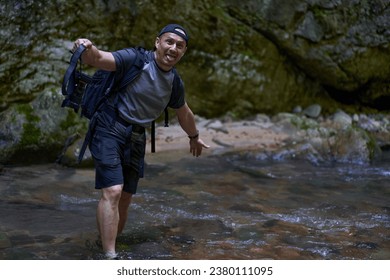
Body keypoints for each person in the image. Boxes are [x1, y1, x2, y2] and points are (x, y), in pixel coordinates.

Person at [72, 24, 210, 259]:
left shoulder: (174, 82)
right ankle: (110, 256)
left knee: (125, 196)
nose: (173, 48)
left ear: (184, 52)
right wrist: (87, 47)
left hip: (136, 136)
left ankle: (108, 243)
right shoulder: (134, 58)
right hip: (109, 126)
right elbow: (99, 58)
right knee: (113, 191)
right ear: (157, 42)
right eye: (169, 42)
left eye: (179, 46)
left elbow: (184, 112)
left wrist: (194, 137)